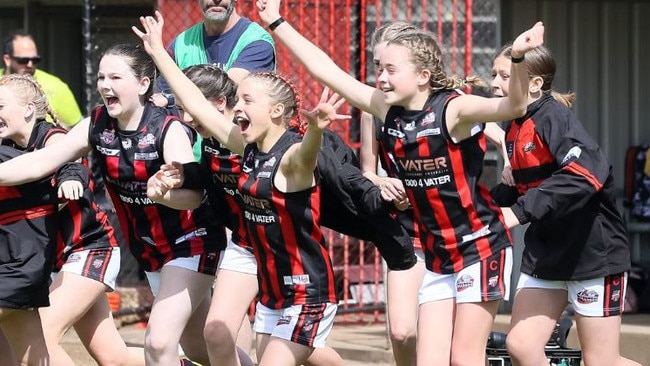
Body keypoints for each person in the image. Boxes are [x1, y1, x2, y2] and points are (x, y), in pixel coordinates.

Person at [254, 1, 544, 364]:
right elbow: (325, 70)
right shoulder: (385, 109)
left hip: (480, 245)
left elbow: (513, 108)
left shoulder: (453, 109)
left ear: (423, 74)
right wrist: (276, 21)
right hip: (437, 255)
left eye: (390, 69)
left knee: (464, 357)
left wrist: (517, 57)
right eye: (379, 68)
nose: (381, 77)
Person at [0, 43, 226, 366]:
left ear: (143, 84)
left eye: (115, 77)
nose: (105, 84)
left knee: (158, 342)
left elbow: (192, 195)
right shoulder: (99, 125)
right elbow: (44, 161)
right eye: (102, 76)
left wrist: (164, 193)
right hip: (149, 250)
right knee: (194, 350)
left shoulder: (167, 128)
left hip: (188, 242)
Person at [489, 44, 640, 366]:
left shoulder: (554, 117)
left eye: (505, 75)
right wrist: (503, 193)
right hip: (546, 255)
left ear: (535, 84)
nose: (494, 83)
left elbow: (585, 174)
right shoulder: (512, 125)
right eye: (493, 74)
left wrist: (517, 212)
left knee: (600, 361)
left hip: (593, 257)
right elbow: (530, 184)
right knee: (521, 346)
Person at [0, 73, 145, 366]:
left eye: (1, 105)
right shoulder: (11, 150)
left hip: (90, 251)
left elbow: (70, 163)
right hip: (58, 262)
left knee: (43, 334)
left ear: (28, 108)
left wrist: (69, 179)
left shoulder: (53, 137)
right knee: (113, 356)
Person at [153, 0, 275, 109]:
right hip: (191, 132)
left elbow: (225, 90)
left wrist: (171, 99)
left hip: (237, 132)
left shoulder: (256, 41)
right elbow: (160, 96)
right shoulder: (182, 42)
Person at [0, 145, 58, 366]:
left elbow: (64, 166)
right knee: (32, 360)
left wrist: (72, 176)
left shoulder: (11, 158)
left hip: (22, 267)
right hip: (11, 268)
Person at [1, 29, 83, 129]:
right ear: (7, 60)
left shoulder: (56, 86)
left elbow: (78, 131)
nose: (30, 65)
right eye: (23, 60)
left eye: (35, 60)